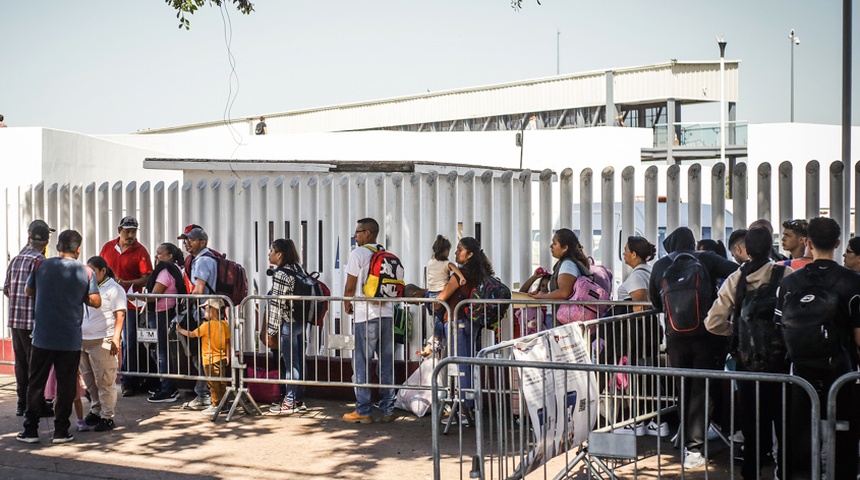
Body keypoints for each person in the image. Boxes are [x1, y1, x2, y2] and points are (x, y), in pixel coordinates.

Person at [774, 217, 860, 480]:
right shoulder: (853, 282)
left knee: (799, 437)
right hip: (842, 372)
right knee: (844, 437)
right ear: (837, 243)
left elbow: (779, 327)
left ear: (807, 242)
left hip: (800, 372)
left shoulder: (790, 283)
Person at [705, 227, 793, 480]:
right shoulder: (786, 274)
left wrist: (736, 333)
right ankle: (783, 471)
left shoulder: (737, 278)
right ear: (770, 247)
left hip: (748, 364)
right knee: (782, 421)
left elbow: (712, 322)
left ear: (745, 250)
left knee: (753, 423)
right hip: (781, 365)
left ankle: (751, 472)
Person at [648, 226, 738, 469]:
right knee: (703, 389)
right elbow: (738, 274)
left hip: (676, 337)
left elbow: (655, 301)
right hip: (707, 335)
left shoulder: (660, 266)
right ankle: (694, 448)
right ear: (693, 242)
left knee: (683, 387)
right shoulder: (706, 258)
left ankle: (686, 439)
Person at [17, 229, 101, 444]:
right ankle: (61, 431)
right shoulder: (87, 272)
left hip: (43, 336)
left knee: (36, 383)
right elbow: (96, 301)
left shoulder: (40, 265)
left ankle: (30, 430)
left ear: (57, 247)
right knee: (65, 385)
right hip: (70, 338)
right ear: (79, 249)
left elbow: (29, 291)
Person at [434, 237, 499, 425]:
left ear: (469, 254)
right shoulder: (481, 272)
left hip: (457, 321)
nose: (456, 252)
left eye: (460, 249)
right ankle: (468, 407)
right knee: (468, 363)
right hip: (472, 322)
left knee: (460, 365)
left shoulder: (461, 275)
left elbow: (443, 297)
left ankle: (463, 409)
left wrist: (429, 303)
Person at [342, 218, 396, 424]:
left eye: (357, 232)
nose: (355, 236)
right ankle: (387, 408)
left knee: (363, 362)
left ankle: (363, 410)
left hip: (366, 315)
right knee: (386, 363)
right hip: (387, 314)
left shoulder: (358, 254)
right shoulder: (386, 254)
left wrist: (347, 303)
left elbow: (350, 286)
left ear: (368, 233)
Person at [99, 215, 153, 398]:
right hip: (107, 302)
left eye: (133, 231)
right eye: (127, 231)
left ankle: (128, 380)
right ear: (119, 231)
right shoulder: (107, 247)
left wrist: (127, 282)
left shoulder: (141, 251)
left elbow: (147, 277)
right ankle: (105, 376)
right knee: (106, 338)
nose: (130, 235)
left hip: (130, 303)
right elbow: (99, 270)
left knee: (128, 340)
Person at [4, 220, 53, 416]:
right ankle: (35, 405)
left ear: (29, 238)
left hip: (16, 320)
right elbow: (45, 292)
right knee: (37, 366)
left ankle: (21, 402)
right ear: (46, 243)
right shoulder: (40, 262)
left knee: (21, 363)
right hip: (35, 322)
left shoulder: (15, 259)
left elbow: (7, 289)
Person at [79, 256, 126, 432]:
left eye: (92, 272)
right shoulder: (86, 287)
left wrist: (115, 338)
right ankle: (95, 409)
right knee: (89, 380)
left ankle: (107, 415)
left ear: (102, 271)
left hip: (102, 339)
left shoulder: (114, 289)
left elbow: (120, 315)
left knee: (105, 380)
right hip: (83, 339)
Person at [266, 238, 310, 415]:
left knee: (291, 363)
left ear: (279, 254)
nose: (269, 254)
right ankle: (297, 398)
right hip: (300, 321)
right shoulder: (298, 269)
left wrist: (271, 331)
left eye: (271, 250)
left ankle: (290, 401)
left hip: (287, 322)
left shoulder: (282, 274)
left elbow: (276, 305)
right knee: (298, 361)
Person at [177, 225, 216, 409]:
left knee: (200, 354)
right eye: (186, 240)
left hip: (202, 314)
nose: (187, 243)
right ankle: (204, 393)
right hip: (205, 312)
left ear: (203, 242)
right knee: (201, 354)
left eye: (191, 240)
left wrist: (184, 301)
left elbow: (199, 290)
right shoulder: (202, 259)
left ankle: (204, 395)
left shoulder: (203, 261)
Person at [145, 243, 189, 403]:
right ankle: (165, 383)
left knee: (160, 351)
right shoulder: (174, 269)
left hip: (161, 314)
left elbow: (154, 295)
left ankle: (167, 388)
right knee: (156, 350)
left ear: (170, 256)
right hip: (163, 313)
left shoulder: (165, 271)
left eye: (160, 253)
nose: (157, 256)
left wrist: (134, 296)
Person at [176, 298, 231, 416]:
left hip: (209, 360)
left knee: (213, 384)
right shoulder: (224, 324)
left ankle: (216, 405)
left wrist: (180, 330)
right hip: (221, 358)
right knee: (221, 382)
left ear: (214, 310)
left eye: (206, 309)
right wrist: (228, 355)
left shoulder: (206, 326)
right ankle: (223, 404)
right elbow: (228, 341)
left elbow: (192, 334)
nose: (204, 311)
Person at [421, 235, 466, 357]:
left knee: (436, 318)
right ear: (446, 251)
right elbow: (456, 270)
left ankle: (435, 341)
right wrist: (461, 278)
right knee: (439, 319)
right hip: (441, 292)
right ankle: (436, 340)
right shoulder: (447, 263)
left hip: (430, 293)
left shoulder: (430, 262)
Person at [529, 228, 589, 313]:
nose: (551, 246)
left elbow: (564, 292)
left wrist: (542, 296)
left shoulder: (567, 265)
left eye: (554, 243)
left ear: (565, 248)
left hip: (566, 320)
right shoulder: (571, 263)